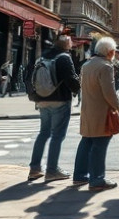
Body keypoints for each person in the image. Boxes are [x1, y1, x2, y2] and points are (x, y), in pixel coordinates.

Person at [72, 37, 119, 191]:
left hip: (88, 111)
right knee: (100, 145)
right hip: (102, 113)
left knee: (86, 142)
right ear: (110, 52)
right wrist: (117, 106)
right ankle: (97, 179)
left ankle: (79, 176)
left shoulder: (86, 65)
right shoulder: (106, 67)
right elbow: (109, 92)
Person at [28, 35, 81, 183]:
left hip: (42, 99)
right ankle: (52, 170)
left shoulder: (43, 56)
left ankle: (35, 168)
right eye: (70, 42)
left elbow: (30, 75)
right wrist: (77, 88)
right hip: (60, 100)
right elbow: (71, 79)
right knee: (57, 135)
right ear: (66, 44)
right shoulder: (64, 57)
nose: (72, 44)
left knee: (43, 133)